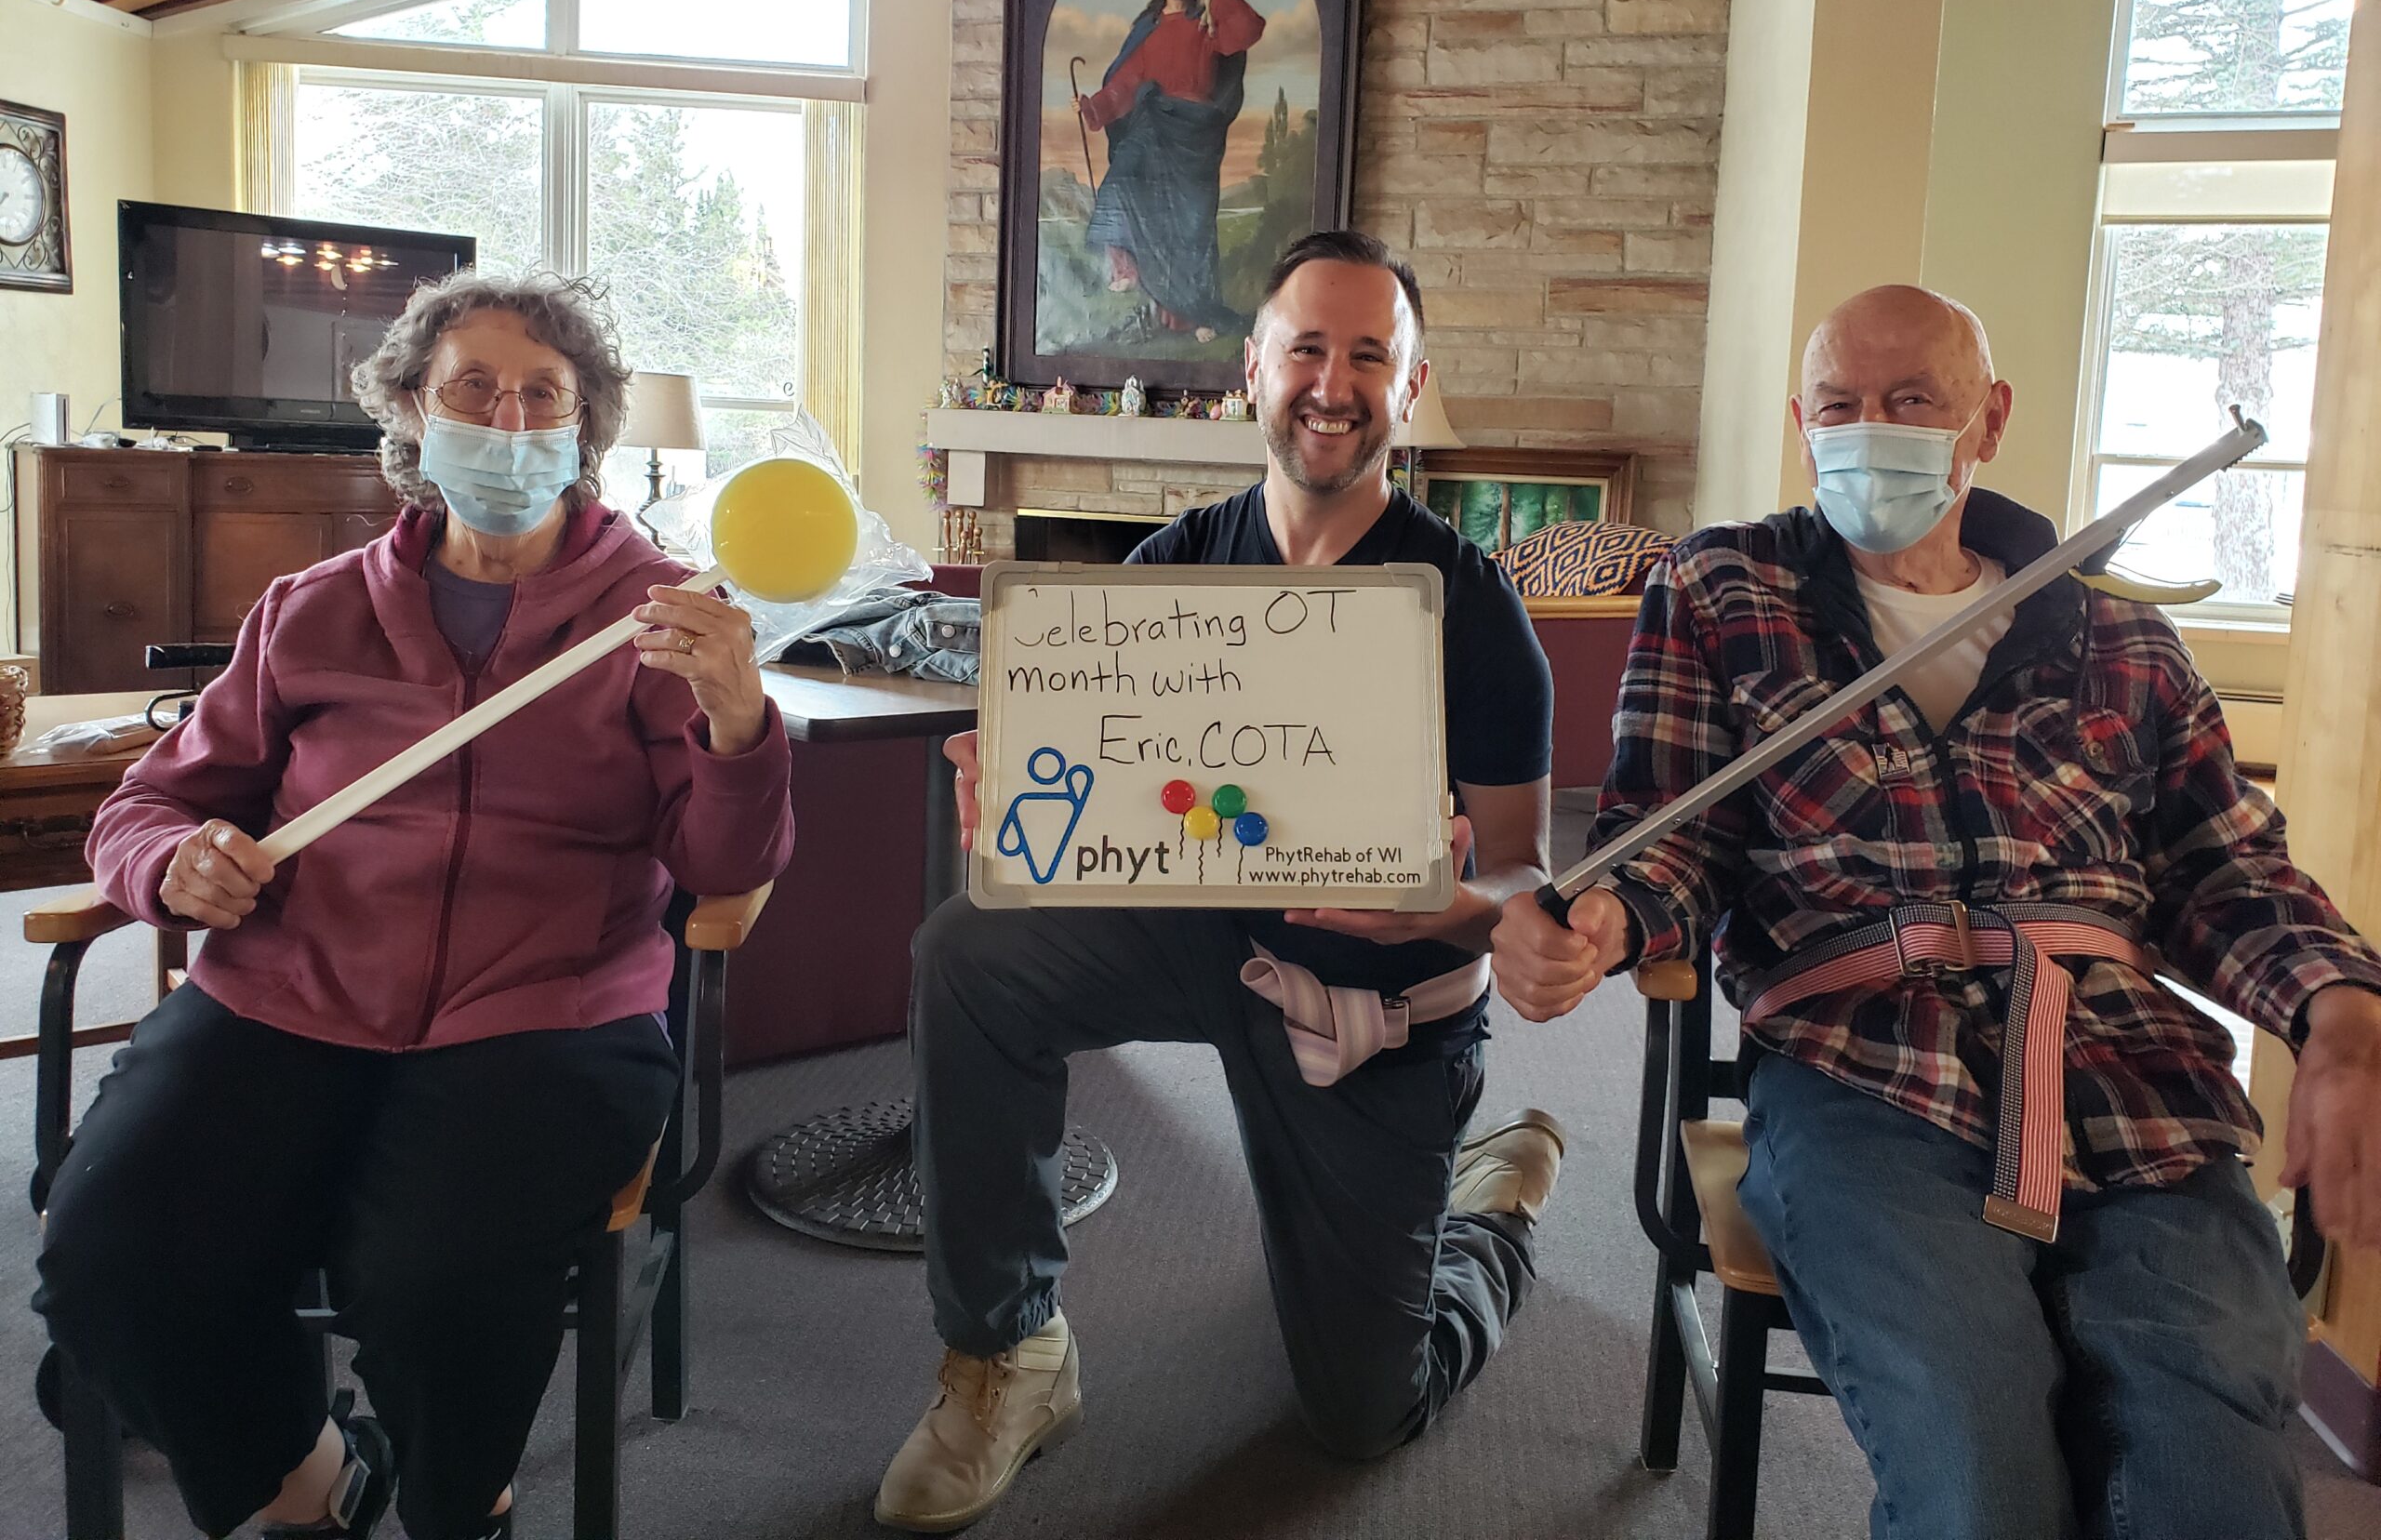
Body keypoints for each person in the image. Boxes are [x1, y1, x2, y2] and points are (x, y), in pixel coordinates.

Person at [1493, 284, 2381, 1540]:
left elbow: (2230, 876)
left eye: (1913, 401)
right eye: (1842, 407)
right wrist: (1605, 927)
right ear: (1804, 425)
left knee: (2211, 1470)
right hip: (1862, 1074)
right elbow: (1672, 842)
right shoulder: (1725, 592)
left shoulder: (2127, 642)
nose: (1873, 432)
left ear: (1988, 419)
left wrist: (2341, 1026)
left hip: (2134, 1085)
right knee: (1974, 1458)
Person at [36, 271, 796, 1540]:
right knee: (111, 1254)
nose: (507, 421)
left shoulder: (656, 622)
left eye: (541, 395)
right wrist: (168, 865)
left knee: (437, 1281)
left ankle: (461, 1505)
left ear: (584, 426)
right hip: (286, 993)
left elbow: (725, 862)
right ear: (411, 410)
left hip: (546, 1015)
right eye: (472, 390)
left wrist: (736, 718)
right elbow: (144, 807)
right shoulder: (312, 610)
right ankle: (311, 1484)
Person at [874, 231, 1564, 1533]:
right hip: (1198, 945)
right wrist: (1024, 823)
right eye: (1307, 347)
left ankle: (1494, 1211)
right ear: (1253, 367)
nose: (1333, 381)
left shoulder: (1475, 613)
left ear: (1410, 388)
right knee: (971, 949)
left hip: (1376, 1004)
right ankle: (1008, 1352)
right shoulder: (1171, 570)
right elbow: (1096, 820)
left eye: (1372, 355)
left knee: (1364, 1416)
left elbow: (1525, 870)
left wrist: (1455, 908)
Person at [1077, 0, 1266, 343]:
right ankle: (1124, 264)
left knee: (1193, 228)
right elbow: (1126, 83)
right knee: (1123, 177)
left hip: (1197, 131)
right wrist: (1095, 108)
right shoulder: (1150, 29)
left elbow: (1247, 33)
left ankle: (1200, 314)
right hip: (1153, 120)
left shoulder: (1208, 22)